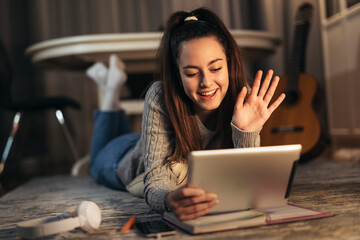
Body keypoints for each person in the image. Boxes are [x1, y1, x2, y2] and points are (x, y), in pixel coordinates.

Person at [87, 8, 285, 221]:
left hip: (158, 146)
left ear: (228, 63)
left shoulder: (243, 99)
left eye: (216, 68)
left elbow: (248, 186)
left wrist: (246, 131)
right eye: (191, 73)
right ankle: (111, 93)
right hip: (124, 158)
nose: (206, 83)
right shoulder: (160, 95)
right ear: (177, 73)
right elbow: (155, 184)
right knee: (94, 161)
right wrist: (170, 199)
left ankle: (111, 89)